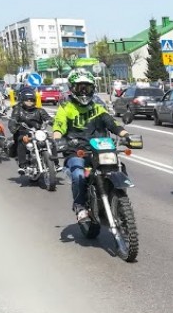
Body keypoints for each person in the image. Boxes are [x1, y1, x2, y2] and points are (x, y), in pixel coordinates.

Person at [52, 69, 130, 223]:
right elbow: (58, 127)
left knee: (119, 168)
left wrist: (126, 135)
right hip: (77, 151)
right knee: (79, 174)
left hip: (99, 150)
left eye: (87, 88)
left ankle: (118, 199)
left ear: (92, 89)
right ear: (72, 88)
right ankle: (80, 206)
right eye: (80, 87)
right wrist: (58, 140)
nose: (83, 92)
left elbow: (112, 124)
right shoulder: (66, 107)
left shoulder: (97, 108)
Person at [7, 87, 52, 169]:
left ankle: (55, 163)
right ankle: (22, 165)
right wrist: (13, 126)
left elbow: (48, 118)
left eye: (31, 100)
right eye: (27, 100)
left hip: (37, 133)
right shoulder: (18, 110)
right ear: (22, 100)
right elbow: (13, 119)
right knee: (21, 141)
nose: (29, 102)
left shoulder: (39, 110)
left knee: (50, 141)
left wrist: (52, 122)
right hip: (23, 132)